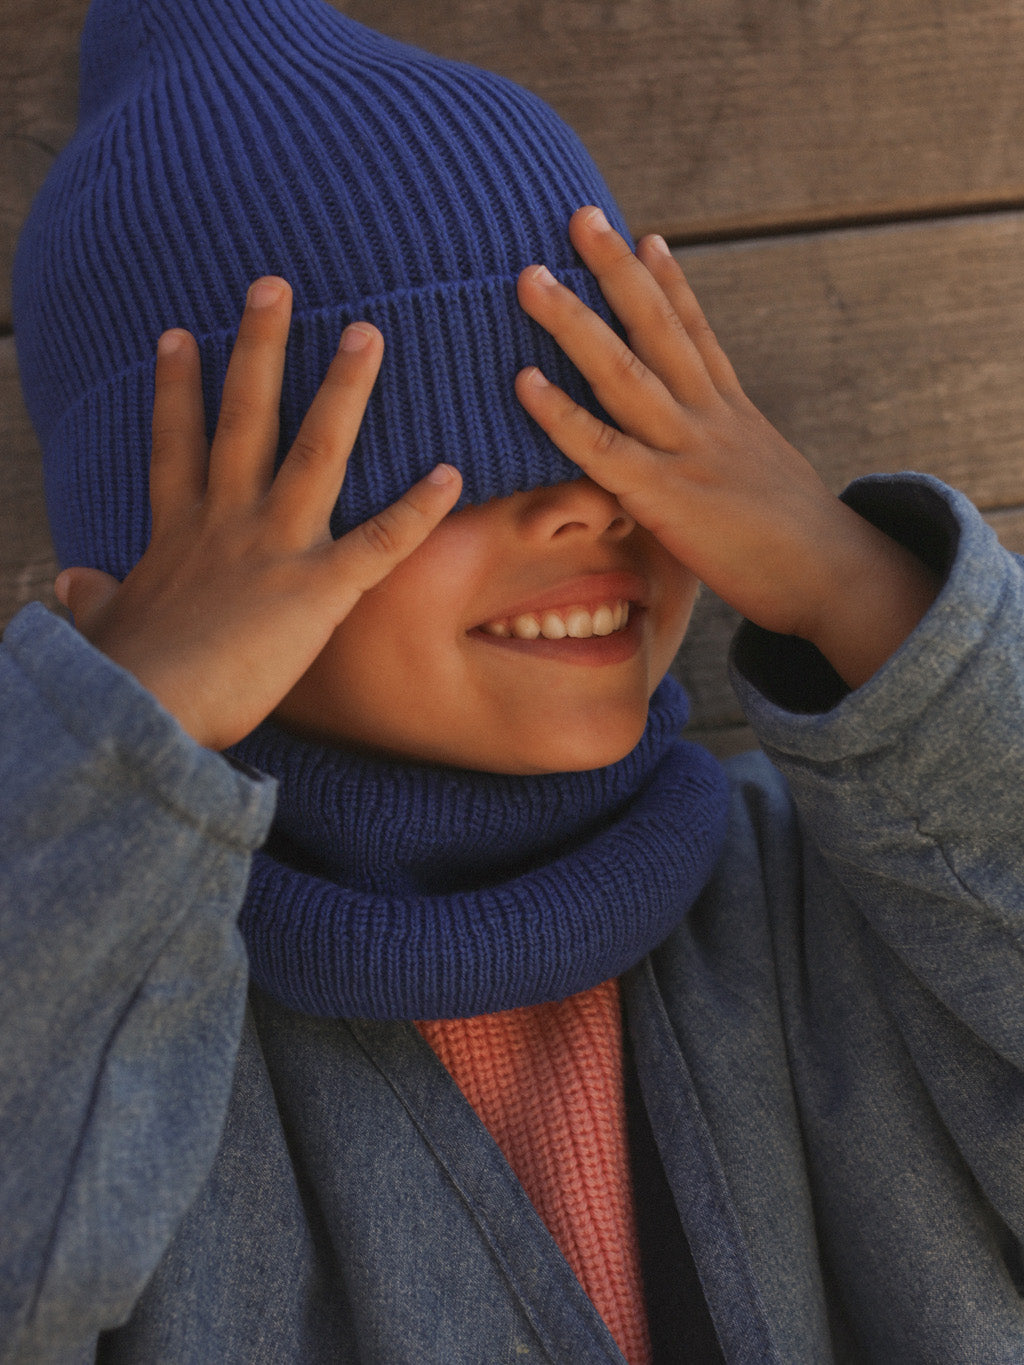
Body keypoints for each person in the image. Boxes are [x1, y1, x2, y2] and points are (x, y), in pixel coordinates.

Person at [3, 0, 1023, 1361]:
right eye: (430, 466)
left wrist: (863, 589)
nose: (585, 510)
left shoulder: (860, 895)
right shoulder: (144, 1038)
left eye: (622, 428)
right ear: (185, 583)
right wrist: (122, 761)